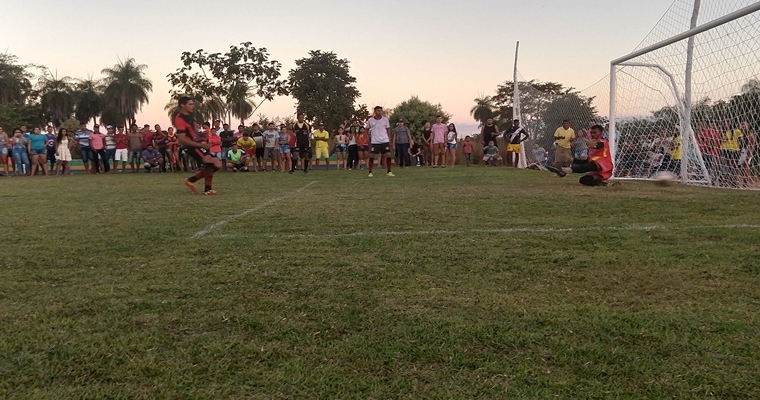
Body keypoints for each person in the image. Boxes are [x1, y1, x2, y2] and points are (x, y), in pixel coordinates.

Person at [174, 97, 221, 195]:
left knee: (218, 164)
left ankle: (191, 180)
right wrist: (200, 145)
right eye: (190, 104)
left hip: (198, 144)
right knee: (209, 163)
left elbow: (194, 132)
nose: (193, 106)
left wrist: (202, 135)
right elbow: (182, 139)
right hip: (191, 146)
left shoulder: (191, 117)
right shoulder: (180, 119)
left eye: (193, 104)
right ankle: (208, 190)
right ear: (182, 105)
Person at [547, 124, 612, 186]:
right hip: (597, 169)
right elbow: (586, 161)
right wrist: (571, 159)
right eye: (591, 133)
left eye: (595, 132)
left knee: (589, 165)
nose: (592, 134)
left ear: (601, 133)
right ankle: (603, 184)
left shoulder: (603, 141)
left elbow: (597, 146)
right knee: (583, 180)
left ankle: (564, 170)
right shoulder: (591, 146)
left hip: (604, 164)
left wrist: (587, 141)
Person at [366, 106, 395, 177]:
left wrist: (389, 138)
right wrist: (368, 137)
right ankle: (370, 172)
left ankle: (389, 171)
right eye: (378, 110)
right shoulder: (370, 120)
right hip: (375, 141)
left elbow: (388, 129)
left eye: (381, 110)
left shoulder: (385, 119)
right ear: (375, 111)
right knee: (372, 155)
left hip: (384, 140)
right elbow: (367, 129)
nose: (380, 112)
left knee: (388, 154)